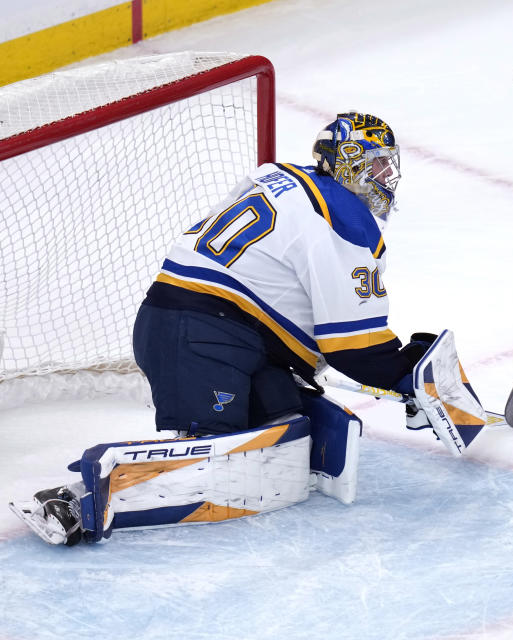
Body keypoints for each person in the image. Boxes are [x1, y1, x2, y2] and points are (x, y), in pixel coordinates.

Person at [9, 112, 486, 546]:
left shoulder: (281, 178)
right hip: (202, 339)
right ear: (350, 166)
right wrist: (405, 376)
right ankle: (72, 501)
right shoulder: (343, 222)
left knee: (286, 423)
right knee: (219, 455)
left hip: (199, 327)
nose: (388, 178)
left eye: (390, 166)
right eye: (378, 166)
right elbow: (353, 348)